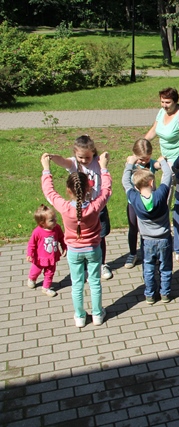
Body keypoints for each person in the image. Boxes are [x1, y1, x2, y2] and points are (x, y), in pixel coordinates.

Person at [40, 152, 112, 328]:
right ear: (89, 188)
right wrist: (103, 168)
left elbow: (49, 191)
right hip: (93, 249)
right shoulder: (95, 206)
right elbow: (107, 190)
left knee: (77, 284)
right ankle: (97, 315)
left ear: (68, 190)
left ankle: (79, 317)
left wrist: (46, 169)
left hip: (74, 251)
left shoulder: (64, 207)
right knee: (95, 282)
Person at [46, 135, 113, 280]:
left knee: (100, 236)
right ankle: (84, 267)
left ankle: (101, 264)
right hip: (79, 209)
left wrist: (104, 158)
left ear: (93, 152)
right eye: (80, 157)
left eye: (87, 157)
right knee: (81, 238)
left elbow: (105, 156)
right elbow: (62, 161)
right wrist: (51, 157)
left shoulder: (97, 162)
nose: (83, 160)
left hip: (97, 207)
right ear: (75, 154)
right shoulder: (73, 164)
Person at [122, 154, 173, 305]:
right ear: (151, 183)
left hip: (147, 241)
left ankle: (150, 295)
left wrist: (130, 164)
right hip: (164, 239)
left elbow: (125, 182)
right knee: (165, 267)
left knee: (149, 268)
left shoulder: (134, 199)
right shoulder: (161, 195)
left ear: (136, 187)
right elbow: (168, 175)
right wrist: (163, 161)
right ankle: (165, 293)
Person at [124, 139, 160, 269]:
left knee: (147, 229)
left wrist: (161, 163)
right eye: (141, 159)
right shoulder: (131, 165)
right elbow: (126, 180)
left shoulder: (151, 163)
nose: (144, 162)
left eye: (147, 159)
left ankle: (150, 253)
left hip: (148, 202)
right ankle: (133, 253)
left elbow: (157, 165)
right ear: (134, 155)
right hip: (134, 203)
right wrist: (132, 162)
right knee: (133, 228)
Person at [144, 87, 179, 164]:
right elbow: (154, 129)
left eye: (167, 102)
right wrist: (142, 143)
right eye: (162, 102)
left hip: (177, 159)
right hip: (164, 157)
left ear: (175, 102)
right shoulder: (162, 111)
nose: (164, 105)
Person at [26, 204, 67, 297]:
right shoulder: (37, 231)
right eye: (52, 220)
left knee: (50, 273)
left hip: (52, 257)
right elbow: (31, 244)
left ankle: (46, 288)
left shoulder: (57, 228)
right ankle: (32, 279)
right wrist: (30, 254)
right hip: (40, 258)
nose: (55, 220)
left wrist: (64, 247)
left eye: (55, 217)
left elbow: (62, 238)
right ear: (42, 223)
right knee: (35, 271)